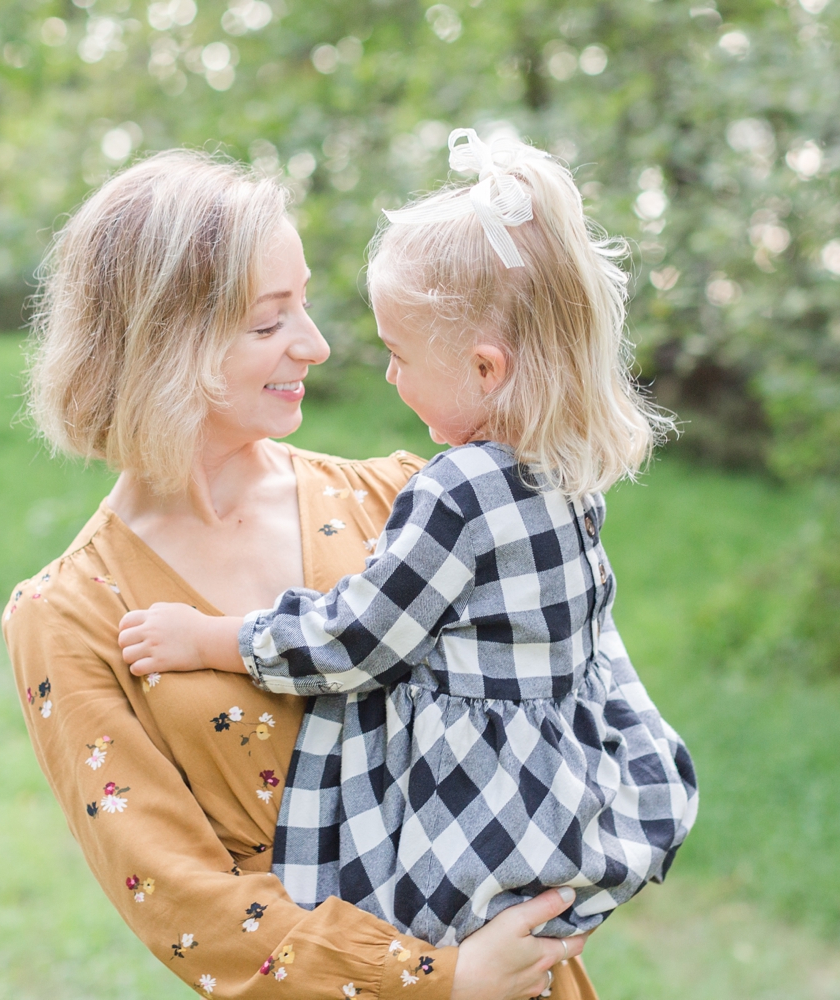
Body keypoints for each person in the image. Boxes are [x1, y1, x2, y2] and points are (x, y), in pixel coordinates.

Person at [4, 148, 598, 999]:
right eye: (269, 322)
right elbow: (184, 902)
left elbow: (577, 699)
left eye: (305, 305)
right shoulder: (69, 616)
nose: (315, 346)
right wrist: (442, 981)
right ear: (165, 342)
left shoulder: (405, 499)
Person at [117, 130, 699, 951]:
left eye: (399, 355)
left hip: (465, 832)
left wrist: (212, 638)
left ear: (486, 369)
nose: (387, 376)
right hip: (554, 814)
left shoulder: (454, 489)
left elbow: (357, 637)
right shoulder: (566, 483)